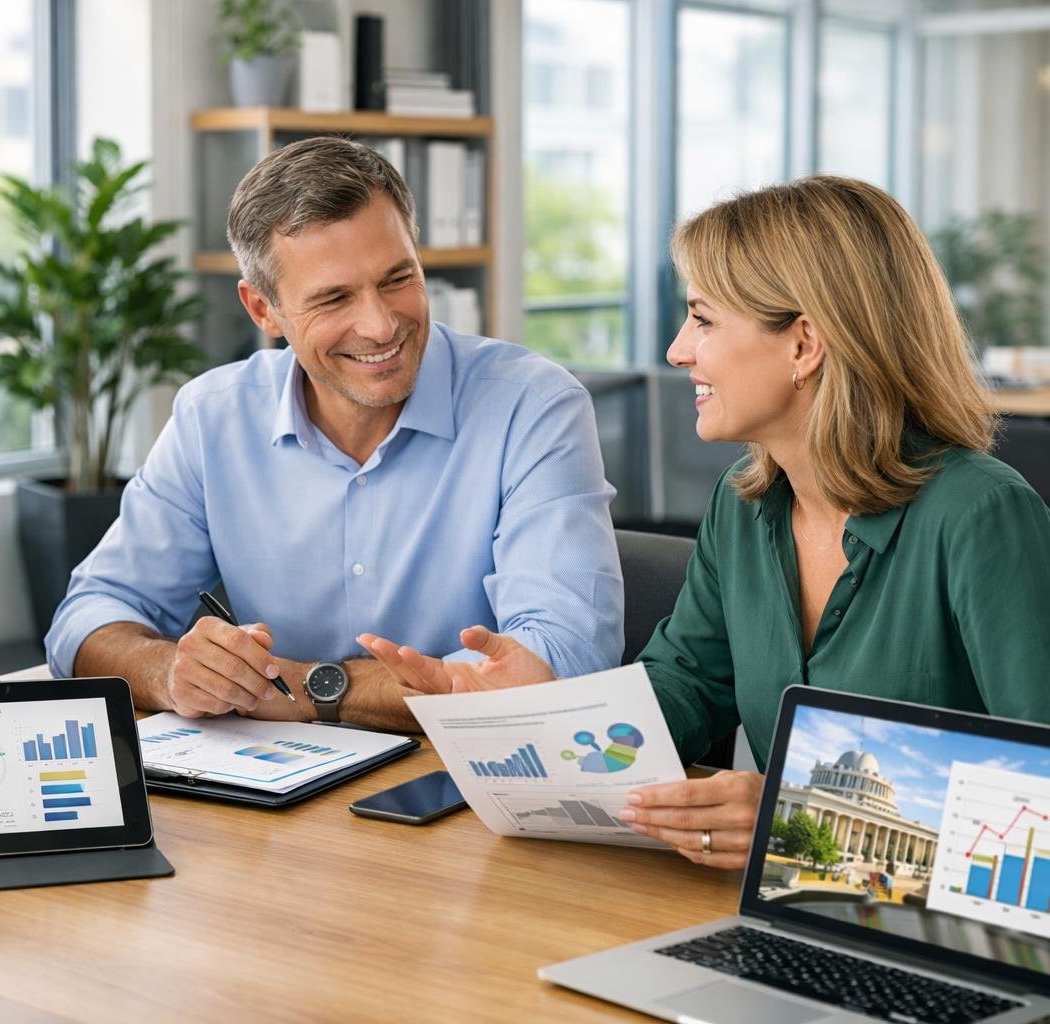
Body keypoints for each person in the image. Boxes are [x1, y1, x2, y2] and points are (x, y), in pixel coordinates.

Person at [361, 175, 1050, 866]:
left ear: (804, 344)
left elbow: (1039, 806)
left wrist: (792, 822)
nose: (678, 350)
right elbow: (686, 688)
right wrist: (538, 718)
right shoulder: (746, 505)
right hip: (782, 917)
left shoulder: (981, 517)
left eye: (704, 319)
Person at [45, 136, 622, 731]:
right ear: (262, 309)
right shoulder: (212, 416)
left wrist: (312, 688)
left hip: (472, 785)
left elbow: (566, 657)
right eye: (334, 298)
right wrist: (170, 670)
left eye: (398, 278)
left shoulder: (533, 405)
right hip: (277, 788)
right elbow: (86, 620)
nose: (379, 325)